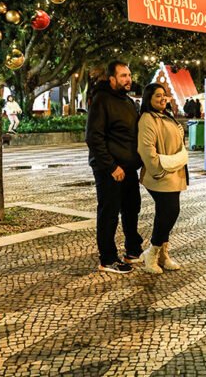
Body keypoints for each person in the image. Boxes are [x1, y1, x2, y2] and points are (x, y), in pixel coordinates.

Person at [86, 61, 144, 274]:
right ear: (111, 79)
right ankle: (107, 258)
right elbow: (94, 137)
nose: (128, 79)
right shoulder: (101, 100)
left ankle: (133, 250)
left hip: (128, 168)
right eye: (123, 76)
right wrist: (111, 167)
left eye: (129, 75)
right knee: (109, 212)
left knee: (131, 208)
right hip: (109, 169)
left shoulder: (128, 101)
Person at [137, 83, 188, 274]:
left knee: (165, 213)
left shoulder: (167, 115)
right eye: (157, 96)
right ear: (148, 99)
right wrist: (158, 171)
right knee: (170, 211)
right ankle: (152, 253)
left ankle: (163, 254)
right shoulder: (147, 119)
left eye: (164, 95)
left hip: (173, 171)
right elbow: (146, 149)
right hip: (160, 173)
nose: (162, 98)